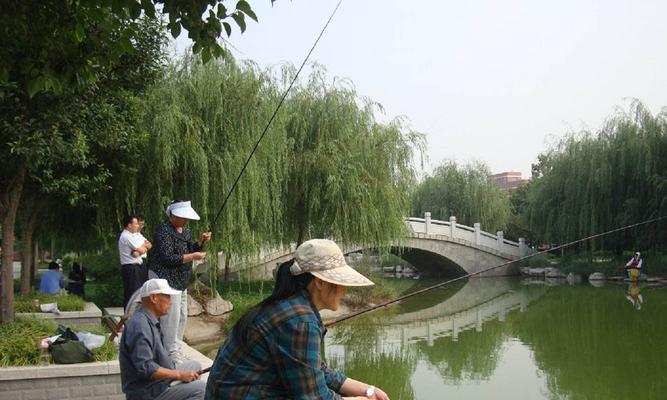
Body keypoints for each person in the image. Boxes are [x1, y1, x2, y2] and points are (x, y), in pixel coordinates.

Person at [205, 239, 390, 400]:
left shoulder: (290, 305)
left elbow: (315, 369)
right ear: (320, 282)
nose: (345, 290)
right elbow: (314, 397)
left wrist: (367, 390)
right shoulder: (300, 322)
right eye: (341, 282)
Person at [119, 278, 205, 400]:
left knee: (194, 366)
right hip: (147, 391)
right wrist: (179, 375)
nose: (171, 302)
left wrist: (178, 373)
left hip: (157, 383)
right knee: (201, 389)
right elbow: (146, 368)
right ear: (154, 298)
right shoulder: (140, 326)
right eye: (167, 297)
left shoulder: (148, 319)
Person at [149, 200, 211, 364]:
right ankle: (169, 353)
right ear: (174, 216)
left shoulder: (185, 230)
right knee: (171, 317)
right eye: (184, 217)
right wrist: (193, 257)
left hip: (180, 279)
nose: (187, 220)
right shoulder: (163, 230)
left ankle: (175, 346)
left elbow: (190, 248)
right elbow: (168, 258)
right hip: (165, 278)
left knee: (182, 315)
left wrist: (200, 242)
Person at [119, 215, 152, 309]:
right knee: (132, 294)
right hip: (131, 268)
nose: (138, 226)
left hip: (139, 265)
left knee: (140, 293)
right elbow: (141, 250)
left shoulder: (135, 235)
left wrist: (141, 249)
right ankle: (129, 318)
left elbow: (148, 245)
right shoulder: (126, 236)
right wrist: (141, 249)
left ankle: (135, 315)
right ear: (129, 225)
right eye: (136, 223)